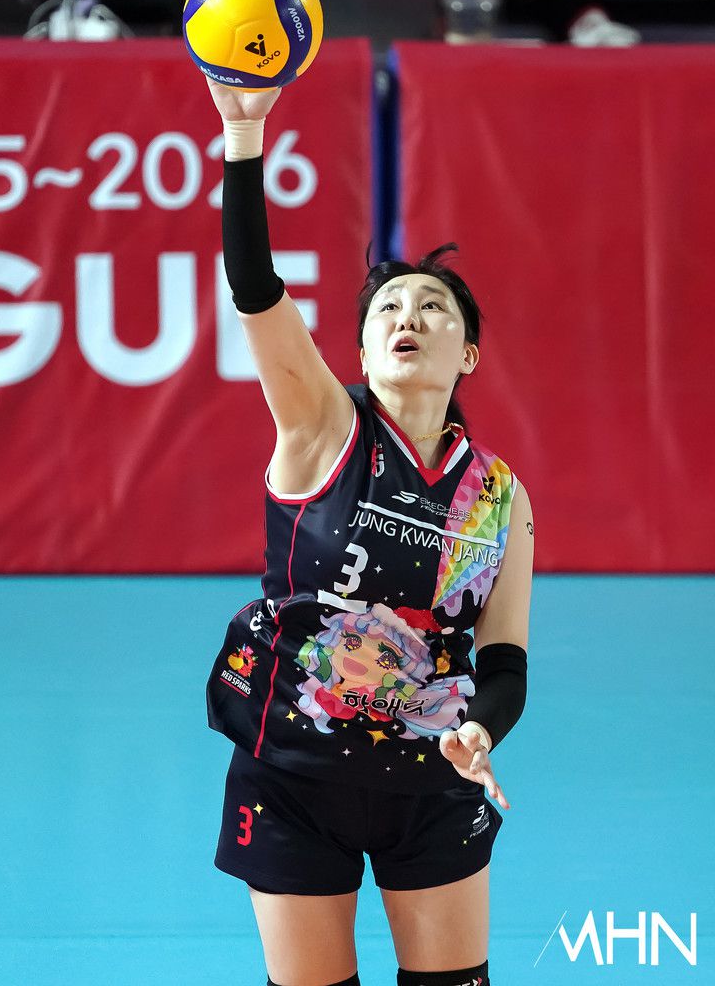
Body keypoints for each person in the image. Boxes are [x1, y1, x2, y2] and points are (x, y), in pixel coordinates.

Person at [204, 80, 533, 986]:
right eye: (388, 308)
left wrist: (480, 733)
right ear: (358, 353)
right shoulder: (321, 425)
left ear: (468, 352)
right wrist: (243, 136)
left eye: (432, 307)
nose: (407, 317)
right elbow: (255, 287)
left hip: (433, 777)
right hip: (293, 771)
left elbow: (506, 664)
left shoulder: (500, 497)